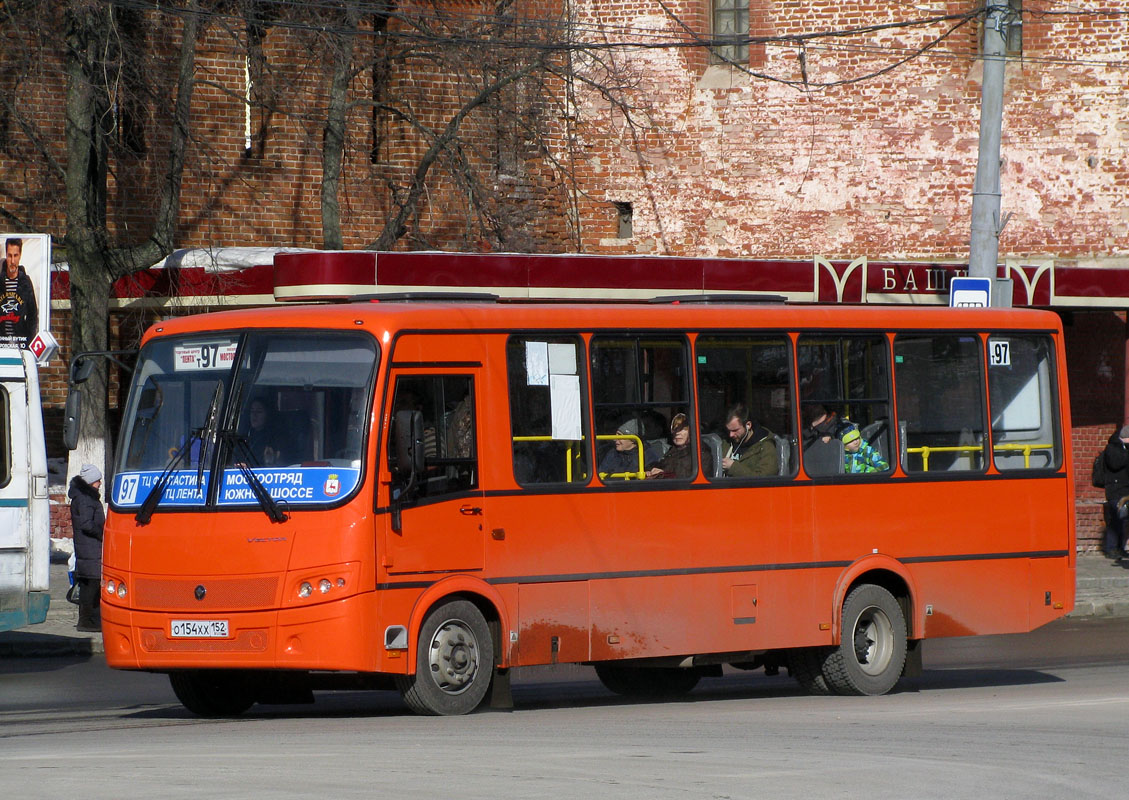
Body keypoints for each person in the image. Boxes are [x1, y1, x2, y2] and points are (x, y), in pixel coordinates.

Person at [69, 463, 105, 632]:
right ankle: (87, 621)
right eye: (98, 480)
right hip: (90, 547)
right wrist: (102, 534)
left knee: (91, 584)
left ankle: (92, 620)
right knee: (91, 584)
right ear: (91, 481)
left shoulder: (85, 496)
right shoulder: (85, 498)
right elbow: (86, 523)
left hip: (88, 547)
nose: (100, 483)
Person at [647, 412, 713, 479]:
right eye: (675, 429)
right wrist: (649, 471)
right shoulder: (672, 452)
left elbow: (691, 480)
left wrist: (663, 474)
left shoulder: (702, 454)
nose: (677, 433)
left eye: (683, 429)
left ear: (692, 432)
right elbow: (660, 465)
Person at [0, 237, 39, 348]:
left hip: (20, 342)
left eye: (15, 255)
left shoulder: (25, 282)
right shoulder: (0, 281)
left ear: (20, 256)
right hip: (1, 342)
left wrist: (28, 340)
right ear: (6, 255)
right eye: (9, 255)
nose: (12, 261)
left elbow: (32, 314)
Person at [721, 403, 778, 477]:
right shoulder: (727, 442)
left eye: (735, 430)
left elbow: (764, 479)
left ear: (748, 425)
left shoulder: (765, 446)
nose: (731, 435)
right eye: (729, 430)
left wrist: (733, 467)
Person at [1101, 424, 1129, 560]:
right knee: (1116, 519)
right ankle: (1111, 548)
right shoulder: (1112, 448)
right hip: (1115, 489)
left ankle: (1119, 548)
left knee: (1123, 520)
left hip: (1125, 489)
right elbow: (1116, 463)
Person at [245, 398, 281, 465]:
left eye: (259, 411)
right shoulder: (244, 435)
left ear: (267, 415)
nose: (254, 415)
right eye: (252, 411)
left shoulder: (273, 438)